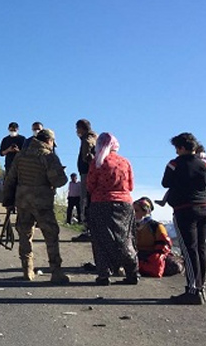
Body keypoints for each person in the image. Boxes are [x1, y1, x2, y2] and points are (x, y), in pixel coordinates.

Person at [3, 128, 70, 284]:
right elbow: (58, 181)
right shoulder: (48, 156)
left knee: (25, 234)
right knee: (51, 234)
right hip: (42, 201)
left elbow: (10, 180)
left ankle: (27, 270)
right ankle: (56, 271)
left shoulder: (20, 156)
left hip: (23, 200)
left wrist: (8, 202)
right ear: (48, 141)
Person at [162, 132, 206, 305]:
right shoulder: (205, 165)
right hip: (204, 208)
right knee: (201, 248)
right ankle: (201, 288)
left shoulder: (174, 164)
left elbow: (165, 183)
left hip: (184, 209)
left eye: (177, 148)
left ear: (182, 148)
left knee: (188, 249)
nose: (176, 152)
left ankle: (192, 290)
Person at [86, 132, 138, 286]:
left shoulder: (97, 162)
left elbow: (90, 185)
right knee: (126, 238)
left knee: (101, 239)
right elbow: (131, 186)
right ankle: (132, 272)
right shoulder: (125, 162)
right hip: (125, 205)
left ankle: (104, 275)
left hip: (101, 204)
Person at [133, 197, 178, 278]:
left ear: (145, 212)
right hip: (136, 253)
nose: (133, 213)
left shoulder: (156, 226)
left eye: (136, 211)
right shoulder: (131, 227)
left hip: (152, 255)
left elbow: (164, 245)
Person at [73, 118, 98, 241]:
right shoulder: (95, 138)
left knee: (85, 200)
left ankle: (88, 230)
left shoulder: (87, 140)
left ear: (81, 128)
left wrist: (88, 164)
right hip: (90, 173)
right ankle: (91, 229)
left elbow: (87, 157)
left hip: (86, 173)